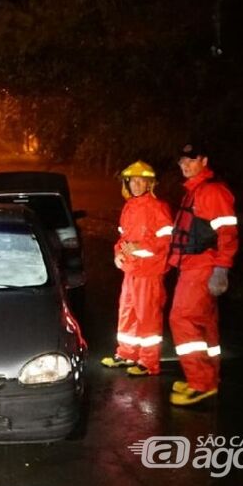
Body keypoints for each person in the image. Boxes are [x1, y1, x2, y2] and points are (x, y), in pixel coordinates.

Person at [168, 143, 238, 406]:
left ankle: (200, 384)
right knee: (205, 325)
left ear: (204, 160)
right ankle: (208, 380)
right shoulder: (195, 190)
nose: (185, 165)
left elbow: (228, 235)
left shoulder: (212, 191)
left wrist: (221, 269)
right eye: (182, 160)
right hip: (193, 264)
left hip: (202, 265)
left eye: (192, 159)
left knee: (182, 318)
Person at [101, 161, 173, 376]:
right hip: (131, 271)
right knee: (127, 313)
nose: (136, 185)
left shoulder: (159, 207)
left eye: (141, 181)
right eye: (132, 181)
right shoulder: (130, 206)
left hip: (150, 273)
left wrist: (141, 247)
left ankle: (149, 362)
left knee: (148, 317)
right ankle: (126, 354)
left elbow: (166, 241)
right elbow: (123, 238)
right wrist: (118, 253)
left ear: (150, 184)